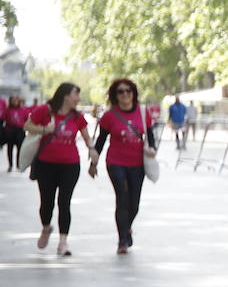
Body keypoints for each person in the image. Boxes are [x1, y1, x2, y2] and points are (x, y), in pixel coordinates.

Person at [89, 78, 158, 253]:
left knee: (134, 203)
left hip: (137, 163)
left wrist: (152, 149)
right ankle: (122, 240)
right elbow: (101, 141)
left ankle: (127, 228)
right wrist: (93, 162)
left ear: (133, 93)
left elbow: (150, 136)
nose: (125, 94)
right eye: (120, 91)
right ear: (115, 95)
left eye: (128, 90)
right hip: (116, 162)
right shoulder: (109, 116)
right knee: (122, 197)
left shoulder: (143, 113)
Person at [24, 83, 93, 256]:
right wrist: (44, 129)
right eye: (75, 95)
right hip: (46, 164)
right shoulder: (45, 111)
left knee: (64, 202)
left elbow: (86, 137)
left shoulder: (77, 117)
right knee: (46, 203)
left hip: (70, 165)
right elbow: (27, 125)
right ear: (65, 96)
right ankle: (46, 227)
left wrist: (92, 150)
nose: (78, 99)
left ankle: (63, 242)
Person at [3, 95, 30, 171]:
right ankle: (10, 165)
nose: (14, 101)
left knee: (20, 148)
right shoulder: (8, 110)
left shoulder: (23, 110)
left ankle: (18, 165)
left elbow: (26, 120)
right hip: (10, 130)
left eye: (16, 100)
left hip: (19, 130)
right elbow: (3, 118)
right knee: (10, 148)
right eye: (13, 100)